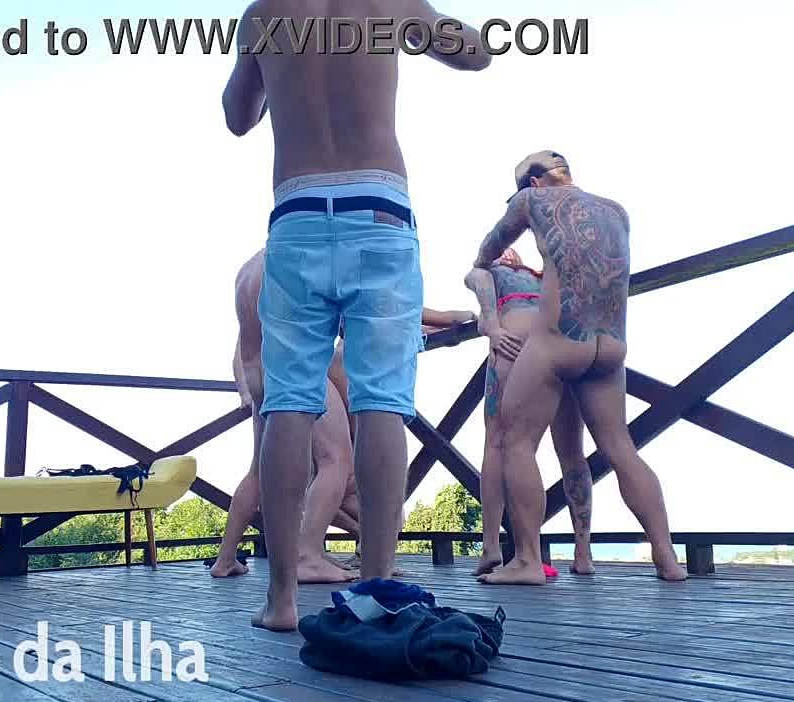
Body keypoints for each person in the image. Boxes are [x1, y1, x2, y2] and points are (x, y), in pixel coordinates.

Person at [223, 0, 490, 630]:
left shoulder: (261, 12)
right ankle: (375, 591)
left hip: (296, 211)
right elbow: (476, 53)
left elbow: (237, 116)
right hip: (379, 208)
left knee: (288, 404)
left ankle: (281, 600)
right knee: (382, 405)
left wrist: (279, 73)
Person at [468, 151, 687, 585]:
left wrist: (491, 268)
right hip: (610, 347)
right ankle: (667, 557)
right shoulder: (616, 211)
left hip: (558, 343)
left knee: (516, 441)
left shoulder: (530, 201)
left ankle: (527, 561)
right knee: (621, 448)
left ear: (532, 184)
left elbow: (486, 252)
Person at [212, 252, 361, 584]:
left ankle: (226, 558)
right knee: (336, 460)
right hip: (297, 369)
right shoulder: (294, 256)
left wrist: (246, 391)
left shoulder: (247, 270)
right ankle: (308, 555)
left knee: (258, 471)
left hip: (262, 374)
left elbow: (242, 344)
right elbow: (352, 318)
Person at [464, 248, 594, 576]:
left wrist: (490, 323)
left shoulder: (490, 270)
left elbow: (476, 277)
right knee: (572, 451)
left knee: (498, 442)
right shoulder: (545, 277)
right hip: (565, 341)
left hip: (515, 336)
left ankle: (492, 545)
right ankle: (583, 552)